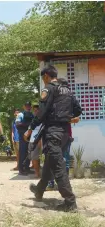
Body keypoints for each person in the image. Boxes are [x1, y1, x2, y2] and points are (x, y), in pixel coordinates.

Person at [24, 65, 82, 212]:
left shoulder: (49, 89)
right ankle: (39, 190)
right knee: (50, 163)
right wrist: (68, 118)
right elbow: (78, 110)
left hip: (53, 134)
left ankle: (70, 202)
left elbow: (41, 113)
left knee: (58, 168)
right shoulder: (67, 90)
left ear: (46, 76)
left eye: (43, 78)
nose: (44, 81)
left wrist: (30, 129)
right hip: (64, 134)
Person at [46, 78, 80, 191]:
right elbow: (77, 113)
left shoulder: (61, 99)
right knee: (59, 159)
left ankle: (61, 184)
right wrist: (70, 119)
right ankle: (56, 183)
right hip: (64, 134)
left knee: (58, 159)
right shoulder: (66, 99)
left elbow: (77, 115)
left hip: (60, 134)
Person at [16, 102, 34, 175]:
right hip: (22, 135)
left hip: (30, 135)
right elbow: (17, 124)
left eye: (29, 106)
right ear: (24, 106)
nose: (28, 107)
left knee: (29, 152)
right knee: (22, 152)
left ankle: (27, 168)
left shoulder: (32, 114)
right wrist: (27, 125)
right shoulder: (20, 114)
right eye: (26, 106)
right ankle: (21, 169)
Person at [28, 105, 42, 178]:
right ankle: (37, 172)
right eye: (34, 110)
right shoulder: (34, 119)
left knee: (35, 157)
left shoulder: (42, 118)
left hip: (38, 140)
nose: (35, 112)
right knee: (33, 158)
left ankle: (37, 174)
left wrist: (40, 140)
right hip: (32, 140)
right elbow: (30, 129)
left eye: (37, 110)